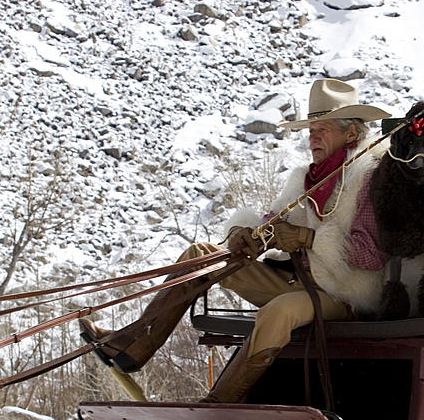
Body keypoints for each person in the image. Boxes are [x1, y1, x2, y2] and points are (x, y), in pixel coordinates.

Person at [79, 78, 393, 403]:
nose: (312, 137)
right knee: (202, 255)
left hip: (344, 296)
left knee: (279, 311)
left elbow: (371, 257)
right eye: (310, 129)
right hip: (298, 280)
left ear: (351, 134)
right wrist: (248, 236)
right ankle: (134, 342)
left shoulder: (367, 180)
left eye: (323, 129)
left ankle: (217, 404)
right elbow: (273, 222)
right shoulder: (307, 177)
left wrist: (306, 238)